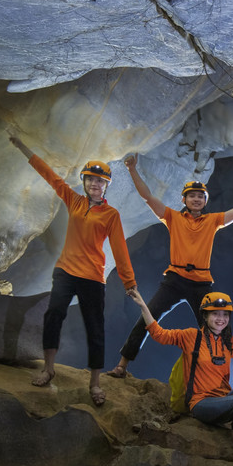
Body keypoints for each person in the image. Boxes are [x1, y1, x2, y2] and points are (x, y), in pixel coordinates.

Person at [108, 154, 233, 378]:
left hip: (201, 284)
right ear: (184, 200)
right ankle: (122, 365)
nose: (196, 199)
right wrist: (132, 169)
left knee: (215, 329)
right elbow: (147, 197)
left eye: (200, 196)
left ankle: (217, 378)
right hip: (174, 280)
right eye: (191, 196)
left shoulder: (212, 221)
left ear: (205, 201)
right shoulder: (173, 217)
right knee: (148, 317)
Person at [8, 134, 137, 406]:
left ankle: (95, 383)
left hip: (92, 277)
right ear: (85, 181)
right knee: (54, 315)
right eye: (90, 179)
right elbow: (50, 176)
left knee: (95, 328)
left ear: (106, 185)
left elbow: (119, 248)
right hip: (65, 271)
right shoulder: (74, 201)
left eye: (100, 180)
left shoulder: (110, 214)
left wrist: (129, 281)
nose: (94, 183)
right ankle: (48, 368)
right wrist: (23, 148)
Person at [126, 289, 233, 466]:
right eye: (215, 314)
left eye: (225, 314)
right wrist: (144, 307)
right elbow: (159, 334)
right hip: (201, 404)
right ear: (205, 315)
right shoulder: (190, 337)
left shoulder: (227, 341)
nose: (221, 318)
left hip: (222, 399)